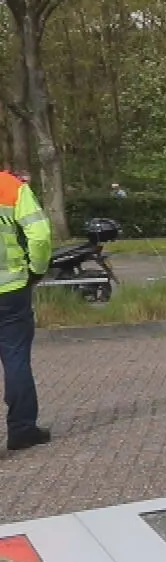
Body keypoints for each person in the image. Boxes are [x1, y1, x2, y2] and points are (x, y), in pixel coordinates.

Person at [0, 168, 52, 451]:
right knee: (16, 359)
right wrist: (37, 269)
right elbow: (40, 235)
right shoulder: (10, 187)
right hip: (11, 290)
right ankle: (21, 430)